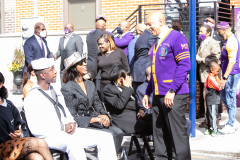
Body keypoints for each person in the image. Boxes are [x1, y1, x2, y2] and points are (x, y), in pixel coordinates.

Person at [24, 58, 117, 160]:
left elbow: (66, 112)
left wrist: (72, 123)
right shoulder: (33, 97)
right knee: (74, 144)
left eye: (54, 68)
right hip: (50, 136)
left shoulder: (54, 91)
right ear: (42, 75)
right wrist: (62, 127)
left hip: (68, 132)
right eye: (51, 70)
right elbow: (36, 129)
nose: (55, 72)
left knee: (105, 138)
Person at [142, 11, 191, 160]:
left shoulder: (176, 37)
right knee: (160, 136)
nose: (148, 28)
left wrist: (172, 90)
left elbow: (184, 64)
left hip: (173, 95)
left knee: (177, 136)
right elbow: (156, 71)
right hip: (158, 95)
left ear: (161, 21)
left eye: (150, 24)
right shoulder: (157, 41)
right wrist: (147, 92)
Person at [61, 52, 124, 157]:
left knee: (118, 133)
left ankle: (114, 156)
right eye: (81, 63)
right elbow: (72, 115)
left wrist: (104, 115)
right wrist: (95, 119)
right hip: (81, 123)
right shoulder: (67, 88)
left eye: (85, 61)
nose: (85, 64)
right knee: (109, 135)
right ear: (73, 68)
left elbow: (98, 103)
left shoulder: (90, 84)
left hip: (95, 119)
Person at [0, 72, 53, 160]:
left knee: (36, 157)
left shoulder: (9, 105)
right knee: (40, 143)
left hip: (15, 146)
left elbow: (21, 126)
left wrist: (19, 133)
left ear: (1, 84)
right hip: (3, 150)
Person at [103, 64, 152, 135]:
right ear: (120, 78)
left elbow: (136, 102)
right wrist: (127, 88)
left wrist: (141, 110)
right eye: (128, 76)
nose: (131, 79)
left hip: (135, 115)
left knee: (155, 119)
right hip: (122, 118)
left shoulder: (127, 88)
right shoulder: (109, 89)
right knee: (147, 124)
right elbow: (119, 105)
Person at [84, 33, 129, 100]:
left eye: (101, 44)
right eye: (98, 44)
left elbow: (127, 69)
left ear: (108, 42)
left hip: (118, 86)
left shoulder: (120, 52)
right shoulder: (99, 55)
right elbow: (93, 72)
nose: (99, 46)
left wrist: (126, 84)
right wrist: (82, 77)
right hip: (104, 87)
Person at [217, 21, 240, 134]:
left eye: (219, 30)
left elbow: (232, 62)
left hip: (231, 74)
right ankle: (233, 120)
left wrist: (224, 77)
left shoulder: (231, 41)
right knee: (224, 95)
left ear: (224, 30)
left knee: (230, 96)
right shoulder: (228, 40)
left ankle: (231, 124)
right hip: (228, 74)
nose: (218, 32)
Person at [196, 24, 221, 127]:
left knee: (210, 98)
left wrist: (202, 59)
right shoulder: (202, 43)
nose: (200, 33)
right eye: (200, 31)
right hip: (203, 74)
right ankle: (207, 119)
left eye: (202, 32)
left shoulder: (213, 43)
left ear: (208, 33)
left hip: (209, 74)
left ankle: (211, 120)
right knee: (205, 97)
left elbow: (215, 58)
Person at [204, 61, 223, 136]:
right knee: (213, 115)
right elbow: (219, 87)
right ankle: (215, 130)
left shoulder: (211, 77)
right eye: (217, 71)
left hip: (211, 99)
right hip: (213, 100)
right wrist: (221, 83)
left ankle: (207, 129)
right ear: (212, 70)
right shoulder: (211, 78)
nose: (218, 72)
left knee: (209, 114)